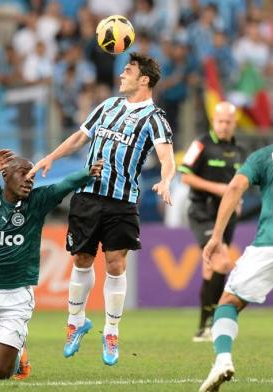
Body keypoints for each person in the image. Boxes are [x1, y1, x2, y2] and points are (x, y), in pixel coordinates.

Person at [29, 52, 175, 366]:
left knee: (115, 264)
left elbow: (167, 157)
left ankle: (111, 331)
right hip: (87, 195)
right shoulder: (108, 106)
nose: (122, 74)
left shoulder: (155, 118)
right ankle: (75, 321)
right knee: (82, 259)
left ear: (144, 79)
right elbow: (80, 137)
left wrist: (166, 181)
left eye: (128, 70)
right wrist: (51, 157)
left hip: (122, 201)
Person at [0, 149, 103, 380]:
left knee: (4, 373)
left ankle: (16, 353)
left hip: (14, 296)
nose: (29, 179)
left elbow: (64, 184)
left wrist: (87, 173)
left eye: (33, 176)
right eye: (24, 173)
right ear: (5, 175)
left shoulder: (37, 202)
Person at [199, 99, 273, 392]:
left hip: (271, 243)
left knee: (229, 303)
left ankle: (222, 360)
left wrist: (216, 236)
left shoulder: (266, 155)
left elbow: (236, 187)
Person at [179, 101, 244, 342]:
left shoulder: (240, 150)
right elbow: (184, 176)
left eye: (228, 122)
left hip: (227, 216)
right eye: (220, 121)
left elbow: (240, 183)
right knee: (222, 262)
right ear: (213, 121)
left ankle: (202, 328)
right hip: (202, 212)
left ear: (234, 123)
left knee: (210, 269)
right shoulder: (201, 144)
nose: (224, 126)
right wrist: (218, 189)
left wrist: (238, 198)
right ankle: (215, 321)